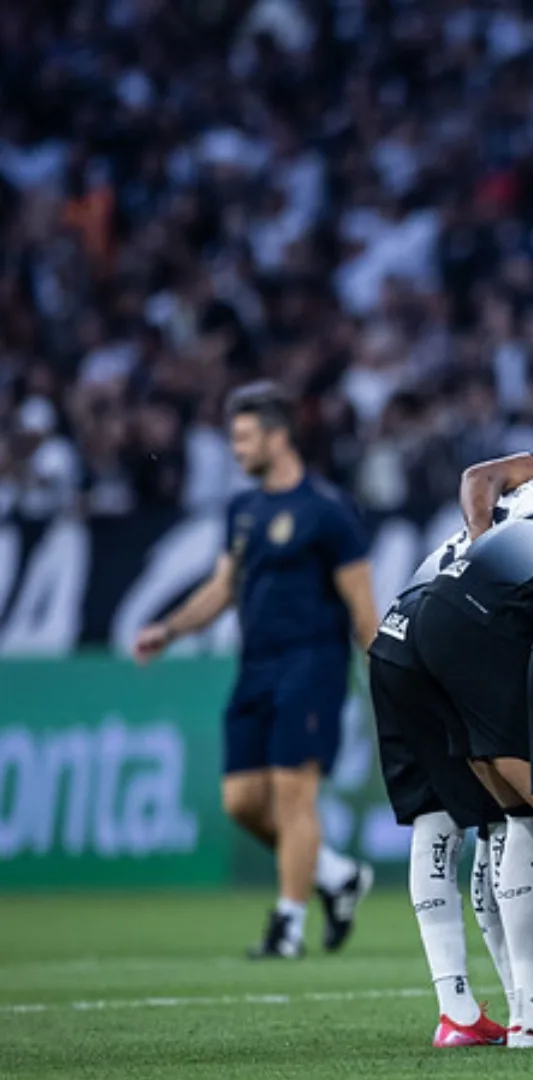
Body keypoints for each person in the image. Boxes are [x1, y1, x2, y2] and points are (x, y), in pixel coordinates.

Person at [135, 381, 379, 959]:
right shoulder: (243, 510)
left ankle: (287, 925)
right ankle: (337, 876)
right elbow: (223, 588)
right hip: (255, 667)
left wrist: (385, 677)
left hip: (313, 665)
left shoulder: (328, 511)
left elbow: (362, 607)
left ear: (278, 435)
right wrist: (168, 630)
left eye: (244, 438)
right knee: (241, 802)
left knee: (295, 798)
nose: (236, 450)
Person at [369, 451, 533, 1046]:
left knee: (435, 819)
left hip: (398, 631)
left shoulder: (528, 492)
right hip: (465, 631)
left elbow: (476, 475)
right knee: (514, 816)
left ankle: (459, 1008)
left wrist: (480, 537)